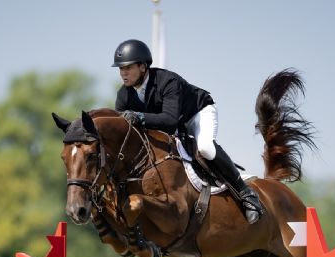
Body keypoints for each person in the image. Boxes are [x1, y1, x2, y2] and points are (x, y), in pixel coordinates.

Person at [112, 39, 265, 224]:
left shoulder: (168, 81)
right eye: (121, 69)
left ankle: (246, 193)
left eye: (128, 68)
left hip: (198, 113)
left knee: (206, 148)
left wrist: (139, 117)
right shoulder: (123, 95)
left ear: (143, 67)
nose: (123, 73)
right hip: (176, 124)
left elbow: (168, 121)